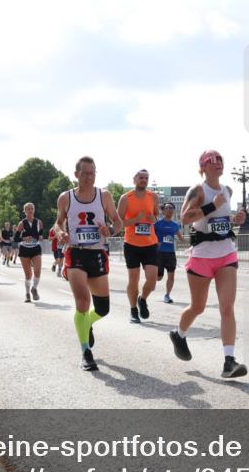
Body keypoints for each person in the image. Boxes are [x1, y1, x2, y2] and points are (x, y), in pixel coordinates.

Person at [168, 150, 249, 379]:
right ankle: (179, 334)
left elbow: (222, 219)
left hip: (226, 254)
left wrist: (236, 220)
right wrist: (212, 206)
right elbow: (184, 218)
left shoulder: (228, 190)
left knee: (227, 307)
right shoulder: (198, 190)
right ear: (202, 167)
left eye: (220, 160)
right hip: (202, 256)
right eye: (211, 161)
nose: (217, 164)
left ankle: (229, 362)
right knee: (198, 307)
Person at [52, 156, 122, 371]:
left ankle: (87, 323)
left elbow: (118, 222)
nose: (89, 177)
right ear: (76, 175)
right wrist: (61, 232)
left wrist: (109, 230)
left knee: (103, 309)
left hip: (97, 253)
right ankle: (86, 352)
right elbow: (57, 223)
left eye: (92, 173)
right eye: (85, 173)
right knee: (83, 302)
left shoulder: (105, 196)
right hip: (76, 253)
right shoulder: (66, 198)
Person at [118, 170, 161, 323]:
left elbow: (156, 217)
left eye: (146, 178)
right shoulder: (126, 198)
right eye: (141, 178)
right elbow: (119, 222)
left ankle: (142, 299)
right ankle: (133, 310)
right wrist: (136, 219)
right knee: (133, 280)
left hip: (150, 243)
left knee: (152, 280)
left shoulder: (153, 197)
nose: (144, 180)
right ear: (134, 179)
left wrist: (152, 218)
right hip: (132, 244)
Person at [154, 202, 184, 303]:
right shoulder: (157, 224)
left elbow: (181, 238)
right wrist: (155, 243)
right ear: (163, 211)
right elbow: (149, 235)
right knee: (159, 277)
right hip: (159, 253)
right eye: (167, 208)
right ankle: (149, 282)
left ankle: (167, 295)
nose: (169, 209)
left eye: (171, 208)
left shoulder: (175, 225)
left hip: (170, 253)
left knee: (171, 275)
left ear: (174, 211)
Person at [15, 203, 44, 302]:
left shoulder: (39, 222)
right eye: (28, 209)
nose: (30, 210)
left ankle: (34, 288)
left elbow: (40, 235)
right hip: (25, 249)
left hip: (35, 248)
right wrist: (24, 238)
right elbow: (16, 238)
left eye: (32, 208)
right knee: (28, 275)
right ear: (25, 211)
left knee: (37, 271)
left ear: (34, 210)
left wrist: (40, 237)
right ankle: (27, 294)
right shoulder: (22, 223)